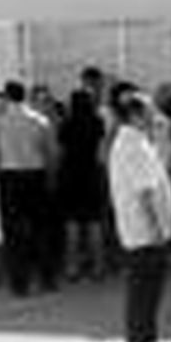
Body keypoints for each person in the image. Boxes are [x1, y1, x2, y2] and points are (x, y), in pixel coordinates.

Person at [106, 89, 171, 342]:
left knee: (144, 289)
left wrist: (161, 137)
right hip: (145, 231)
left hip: (142, 229)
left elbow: (158, 170)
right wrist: (157, 229)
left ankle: (142, 340)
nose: (153, 115)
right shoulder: (132, 145)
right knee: (145, 290)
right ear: (135, 115)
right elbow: (144, 192)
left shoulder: (136, 141)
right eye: (148, 110)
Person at [0, 81, 59, 296]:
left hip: (10, 176)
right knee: (41, 229)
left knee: (13, 231)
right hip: (36, 175)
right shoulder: (40, 120)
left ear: (7, 97)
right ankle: (47, 278)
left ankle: (19, 283)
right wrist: (50, 176)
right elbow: (52, 152)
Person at [58, 88, 109, 282]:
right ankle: (98, 267)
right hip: (91, 174)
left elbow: (61, 150)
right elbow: (100, 152)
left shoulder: (66, 124)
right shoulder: (97, 122)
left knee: (72, 223)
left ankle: (72, 268)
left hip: (71, 175)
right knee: (94, 223)